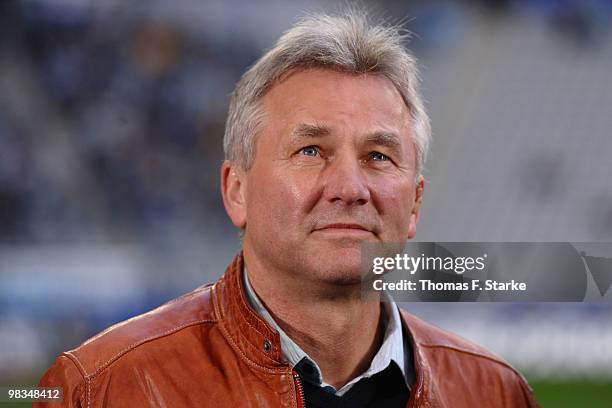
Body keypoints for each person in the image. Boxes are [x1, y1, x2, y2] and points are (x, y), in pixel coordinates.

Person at [36, 11, 539, 408]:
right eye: (311, 151)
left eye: (378, 157)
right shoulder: (98, 388)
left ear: (414, 205)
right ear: (236, 191)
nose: (350, 187)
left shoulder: (496, 392)